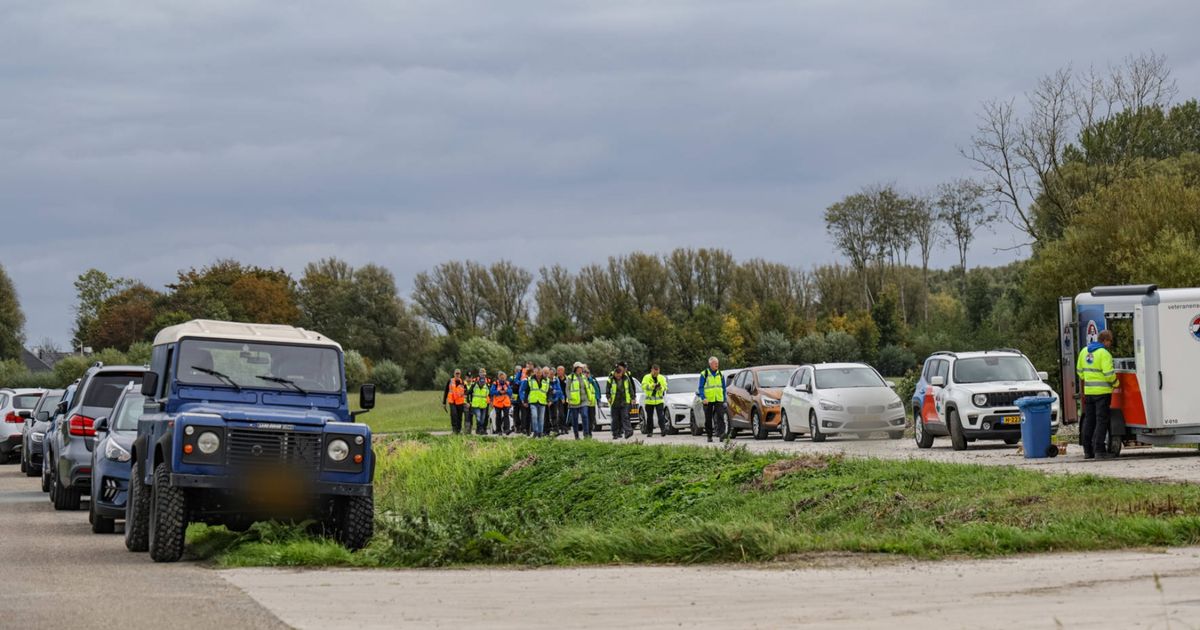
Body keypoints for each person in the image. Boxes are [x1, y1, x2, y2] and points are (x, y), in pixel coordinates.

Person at [1077, 329, 1120, 459]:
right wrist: (1116, 383)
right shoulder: (1104, 354)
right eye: (1110, 341)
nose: (1110, 344)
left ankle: (1087, 450)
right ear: (1105, 340)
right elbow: (1108, 374)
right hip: (1102, 393)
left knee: (1089, 421)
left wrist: (1089, 379)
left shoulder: (1084, 351)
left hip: (1089, 392)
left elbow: (1080, 372)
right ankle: (1099, 450)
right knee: (1101, 421)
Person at [697, 356, 727, 443]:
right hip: (708, 400)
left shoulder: (720, 374)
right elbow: (701, 387)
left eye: (717, 363)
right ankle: (709, 436)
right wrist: (703, 398)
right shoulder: (704, 374)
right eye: (715, 363)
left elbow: (723, 387)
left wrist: (724, 399)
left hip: (719, 399)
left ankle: (722, 435)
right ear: (710, 364)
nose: (717, 365)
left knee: (721, 417)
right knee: (708, 418)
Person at [607, 363, 636, 440]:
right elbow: (607, 390)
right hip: (614, 402)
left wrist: (633, 398)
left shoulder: (626, 379)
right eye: (617, 375)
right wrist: (608, 397)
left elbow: (630, 389)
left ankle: (628, 431)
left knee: (625, 416)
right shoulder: (610, 379)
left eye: (620, 375)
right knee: (615, 419)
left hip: (624, 401)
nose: (618, 376)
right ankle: (615, 433)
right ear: (615, 373)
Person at [565, 363, 594, 440]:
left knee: (585, 415)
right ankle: (576, 436)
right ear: (576, 368)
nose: (582, 369)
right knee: (575, 419)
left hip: (584, 400)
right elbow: (567, 389)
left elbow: (587, 388)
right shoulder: (570, 377)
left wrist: (590, 398)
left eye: (582, 368)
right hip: (574, 402)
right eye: (580, 367)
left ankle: (586, 435)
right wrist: (569, 398)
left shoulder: (584, 377)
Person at [641, 364, 669, 437]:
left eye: (657, 372)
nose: (656, 374)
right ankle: (650, 432)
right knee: (649, 417)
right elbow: (643, 386)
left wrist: (661, 388)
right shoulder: (646, 377)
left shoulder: (662, 377)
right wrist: (652, 386)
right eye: (654, 372)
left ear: (659, 370)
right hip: (649, 401)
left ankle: (663, 430)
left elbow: (665, 387)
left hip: (659, 400)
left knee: (661, 416)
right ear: (652, 370)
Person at [522, 368, 552, 437]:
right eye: (537, 373)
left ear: (541, 373)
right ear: (535, 372)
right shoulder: (530, 379)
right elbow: (527, 391)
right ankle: (535, 431)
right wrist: (525, 401)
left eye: (539, 373)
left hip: (542, 401)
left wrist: (549, 400)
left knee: (541, 419)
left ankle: (540, 433)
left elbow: (549, 391)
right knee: (534, 416)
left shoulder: (547, 380)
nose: (538, 374)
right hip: (533, 401)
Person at [443, 369, 468, 434]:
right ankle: (454, 430)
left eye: (458, 373)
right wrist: (444, 403)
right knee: (454, 415)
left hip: (460, 402)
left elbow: (466, 392)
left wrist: (466, 401)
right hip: (452, 401)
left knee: (459, 416)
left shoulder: (463, 382)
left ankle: (458, 430)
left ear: (460, 374)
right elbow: (446, 391)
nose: (457, 375)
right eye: (456, 373)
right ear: (454, 374)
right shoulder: (450, 381)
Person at [467, 369, 491, 435]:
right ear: (479, 373)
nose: (482, 374)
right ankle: (479, 429)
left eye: (483, 373)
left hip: (485, 402)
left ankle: (484, 429)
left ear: (485, 374)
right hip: (476, 402)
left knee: (485, 417)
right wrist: (470, 401)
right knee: (478, 416)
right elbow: (471, 391)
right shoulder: (474, 380)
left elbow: (489, 392)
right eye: (481, 373)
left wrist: (490, 401)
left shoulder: (488, 381)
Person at [584, 365, 600, 439]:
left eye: (588, 373)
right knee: (585, 418)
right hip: (584, 403)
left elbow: (597, 390)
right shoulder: (582, 381)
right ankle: (586, 433)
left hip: (592, 403)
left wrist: (598, 399)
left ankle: (589, 432)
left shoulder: (592, 381)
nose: (586, 374)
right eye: (585, 372)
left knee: (591, 419)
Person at [553, 365, 569, 435]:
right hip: (559, 398)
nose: (559, 372)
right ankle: (562, 428)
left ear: (563, 371)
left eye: (560, 370)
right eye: (558, 370)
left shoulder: (567, 379)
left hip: (567, 398)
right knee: (561, 414)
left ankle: (566, 427)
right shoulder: (555, 379)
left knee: (566, 413)